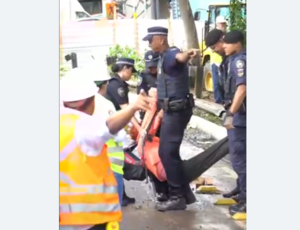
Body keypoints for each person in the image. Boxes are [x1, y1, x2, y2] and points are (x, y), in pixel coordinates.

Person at [60, 68, 154, 230]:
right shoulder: (83, 124)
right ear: (90, 100)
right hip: (88, 218)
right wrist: (132, 109)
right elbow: (107, 126)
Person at [142, 26, 198, 211]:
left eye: (151, 39)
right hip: (171, 110)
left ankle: (177, 197)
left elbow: (179, 58)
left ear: (161, 39)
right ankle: (183, 193)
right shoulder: (162, 57)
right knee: (168, 153)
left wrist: (187, 54)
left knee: (167, 153)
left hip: (177, 111)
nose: (149, 43)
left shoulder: (172, 54)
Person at [105, 57, 139, 206]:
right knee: (116, 163)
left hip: (111, 126)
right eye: (131, 70)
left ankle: (122, 196)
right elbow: (126, 109)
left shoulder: (114, 83)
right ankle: (119, 198)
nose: (131, 74)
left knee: (115, 163)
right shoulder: (117, 85)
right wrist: (140, 129)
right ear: (125, 68)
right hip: (111, 129)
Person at [221, 30, 247, 215]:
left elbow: (242, 88)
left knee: (241, 161)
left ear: (237, 43)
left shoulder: (240, 61)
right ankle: (244, 194)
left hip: (242, 118)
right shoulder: (238, 59)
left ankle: (248, 200)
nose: (224, 46)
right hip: (242, 117)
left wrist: (231, 113)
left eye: (227, 43)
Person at [137, 50, 159, 121]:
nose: (152, 68)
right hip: (149, 106)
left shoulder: (164, 74)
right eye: (150, 66)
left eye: (154, 66)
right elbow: (141, 93)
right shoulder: (143, 75)